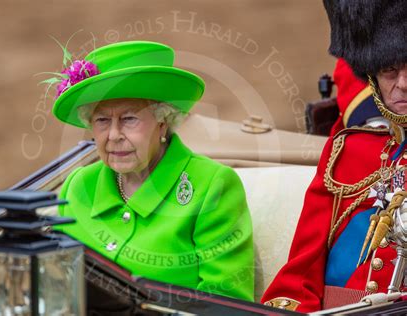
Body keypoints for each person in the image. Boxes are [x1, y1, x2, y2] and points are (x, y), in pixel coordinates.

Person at [51, 40, 254, 301]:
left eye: (129, 119)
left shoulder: (212, 186)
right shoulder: (78, 185)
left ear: (163, 121)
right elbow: (52, 286)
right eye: (102, 120)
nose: (113, 135)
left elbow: (227, 305)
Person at [262, 0, 407, 312]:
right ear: (372, 76)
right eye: (389, 70)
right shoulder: (348, 150)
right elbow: (301, 274)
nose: (403, 85)